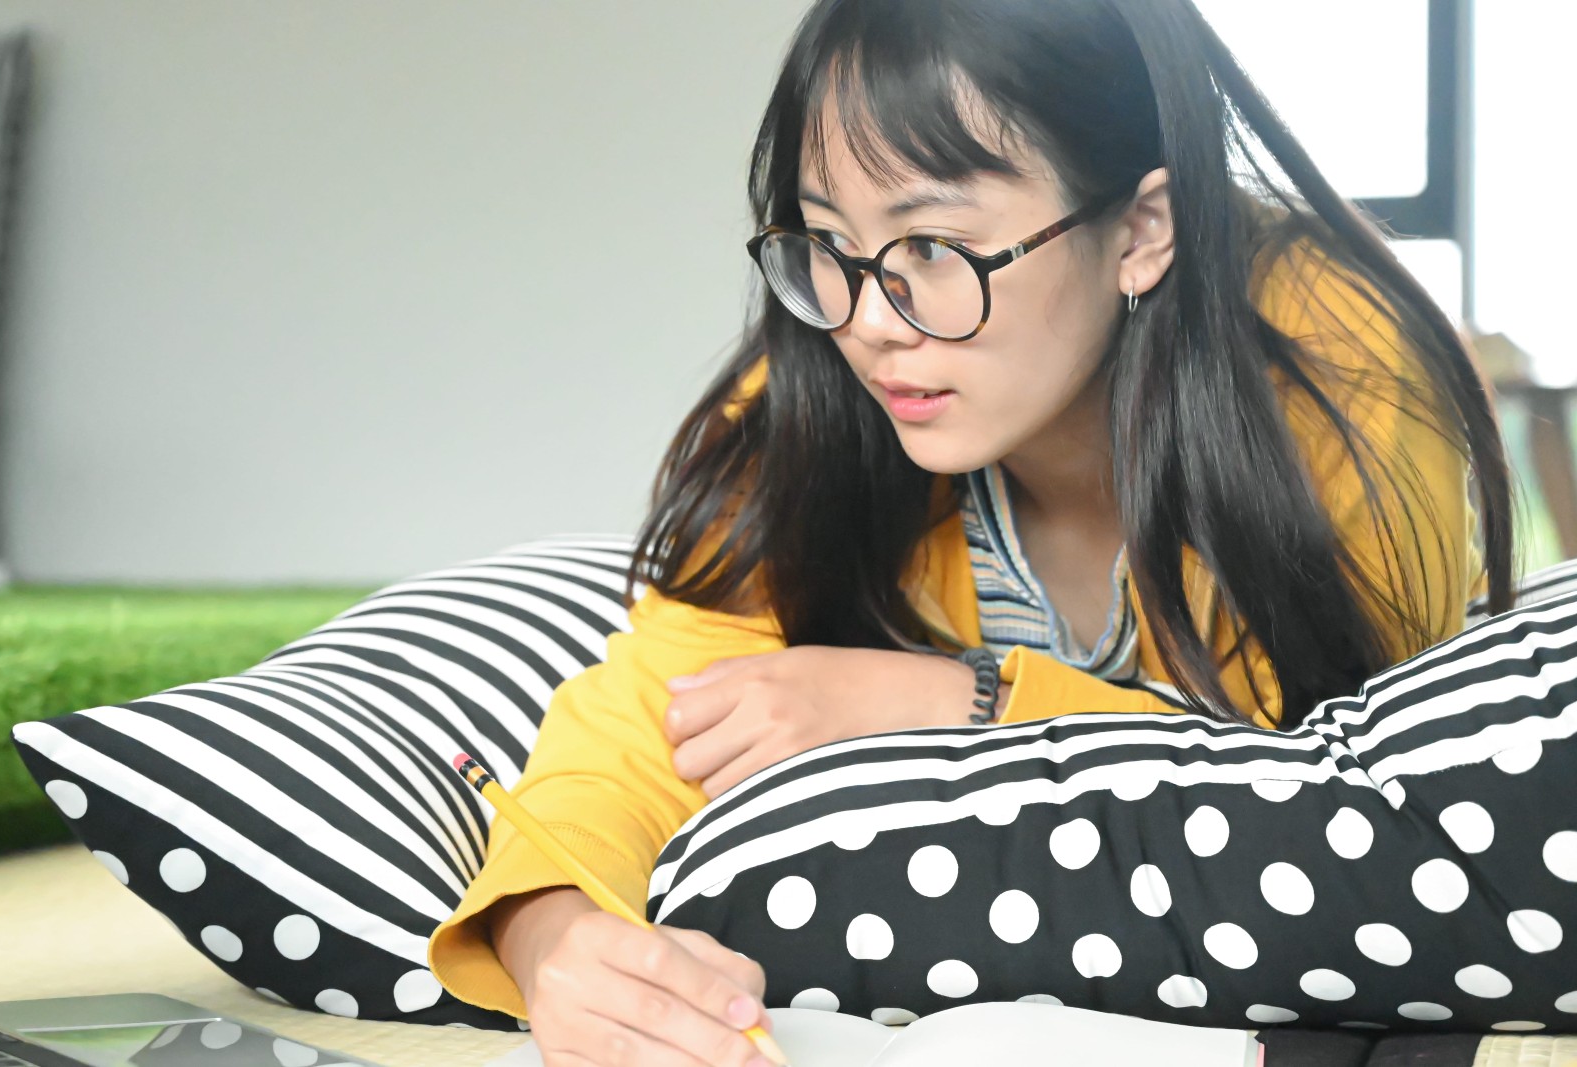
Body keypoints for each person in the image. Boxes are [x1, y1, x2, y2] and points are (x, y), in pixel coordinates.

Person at [423, 1, 1519, 1063]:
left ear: (1143, 229)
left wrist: (956, 701)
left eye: (937, 246)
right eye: (827, 242)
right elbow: (653, 713)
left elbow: (1325, 794)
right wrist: (549, 930)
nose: (867, 322)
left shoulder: (1342, 381)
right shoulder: (815, 382)